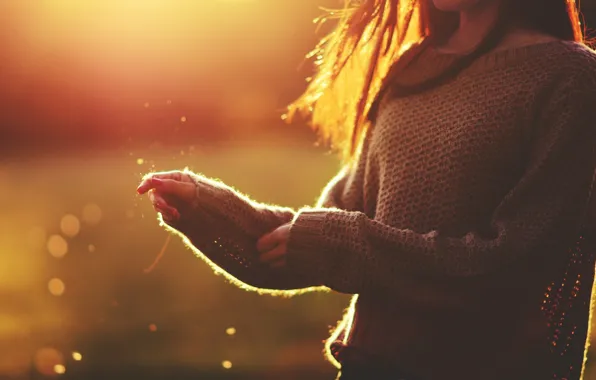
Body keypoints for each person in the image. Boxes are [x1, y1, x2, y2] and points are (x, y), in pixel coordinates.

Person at [137, 0, 596, 379]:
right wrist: (209, 208)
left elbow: (519, 265)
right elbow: (317, 237)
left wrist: (345, 247)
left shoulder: (570, 79)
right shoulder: (415, 65)